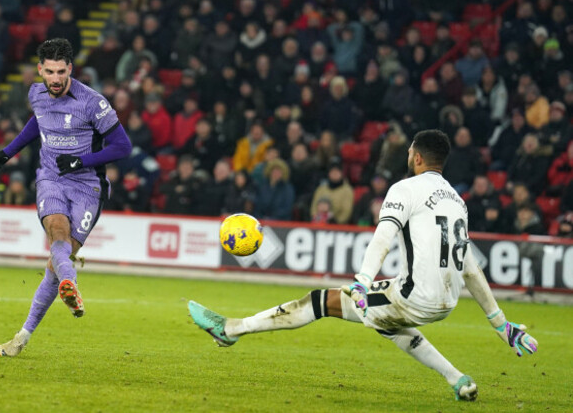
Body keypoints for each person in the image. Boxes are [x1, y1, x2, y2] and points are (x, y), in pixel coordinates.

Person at [188, 129, 538, 401]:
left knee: (320, 301)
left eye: (408, 151)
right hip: (447, 301)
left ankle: (231, 330)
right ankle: (457, 379)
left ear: (416, 156)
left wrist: (361, 281)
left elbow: (383, 237)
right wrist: (501, 324)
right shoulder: (457, 201)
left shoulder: (405, 189)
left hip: (415, 296)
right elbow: (470, 267)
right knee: (388, 324)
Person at [0, 39, 131, 357]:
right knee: (57, 233)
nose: (55, 79)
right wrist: (8, 153)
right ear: (40, 70)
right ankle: (70, 283)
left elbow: (123, 146)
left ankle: (21, 338)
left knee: (55, 262)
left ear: (70, 70)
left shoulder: (93, 103)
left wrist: (81, 161)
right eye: (49, 71)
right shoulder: (37, 93)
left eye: (61, 71)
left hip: (88, 188)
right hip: (51, 179)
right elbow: (39, 121)